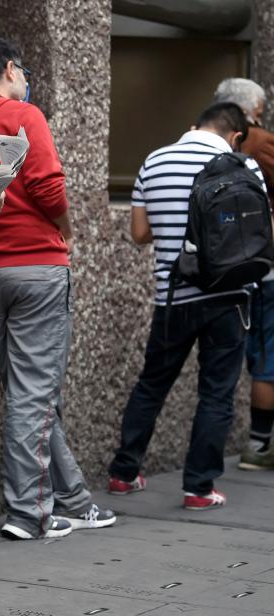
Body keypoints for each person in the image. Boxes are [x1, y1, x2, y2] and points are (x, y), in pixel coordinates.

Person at [0, 35, 115, 541]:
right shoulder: (23, 115)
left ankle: (74, 498)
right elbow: (48, 185)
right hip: (37, 267)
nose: (27, 82)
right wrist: (68, 229)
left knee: (27, 392)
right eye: (25, 73)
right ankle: (29, 512)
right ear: (11, 70)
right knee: (35, 395)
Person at [107, 102, 262, 510]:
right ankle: (199, 488)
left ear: (194, 127)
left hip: (173, 296)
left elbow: (140, 233)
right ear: (235, 135)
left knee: (152, 384)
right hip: (229, 298)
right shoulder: (243, 165)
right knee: (216, 393)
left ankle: (124, 474)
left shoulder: (154, 160)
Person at [213, 77, 274, 471]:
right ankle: (258, 445)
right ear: (252, 110)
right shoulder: (263, 142)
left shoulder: (204, 138)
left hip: (219, 269)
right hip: (266, 265)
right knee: (268, 355)